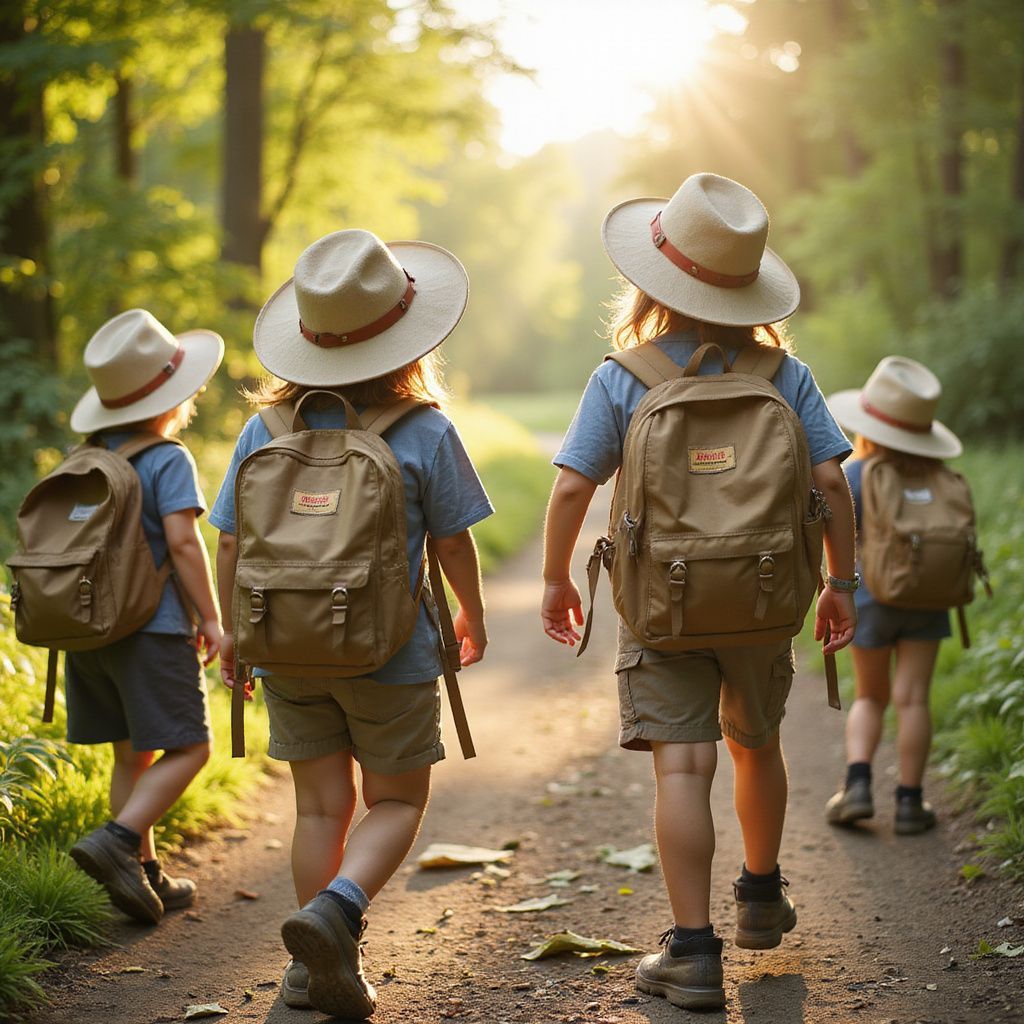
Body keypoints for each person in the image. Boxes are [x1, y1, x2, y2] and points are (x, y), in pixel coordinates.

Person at [541, 173, 857, 1010]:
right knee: (756, 742)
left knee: (683, 768)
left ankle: (691, 952)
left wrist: (552, 580)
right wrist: (843, 583)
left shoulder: (624, 375)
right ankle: (760, 895)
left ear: (653, 282)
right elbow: (830, 477)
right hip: (764, 597)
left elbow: (573, 488)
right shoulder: (783, 372)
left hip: (660, 605)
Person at [211, 229, 492, 1019]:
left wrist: (236, 634)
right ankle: (338, 910)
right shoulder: (424, 429)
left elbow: (230, 538)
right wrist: (470, 610)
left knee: (319, 808)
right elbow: (451, 539)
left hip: (285, 647)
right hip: (390, 654)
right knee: (396, 803)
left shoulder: (264, 432)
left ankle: (308, 973)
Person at [65, 309, 224, 925]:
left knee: (130, 755)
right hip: (151, 631)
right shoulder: (166, 458)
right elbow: (184, 544)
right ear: (171, 397)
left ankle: (146, 875)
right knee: (191, 749)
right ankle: (119, 842)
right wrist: (211, 620)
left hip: (86, 632)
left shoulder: (85, 457)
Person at [823, 357, 964, 835]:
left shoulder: (859, 474)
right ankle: (909, 802)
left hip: (873, 600)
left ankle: (858, 786)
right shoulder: (943, 478)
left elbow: (834, 527)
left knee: (870, 695)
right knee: (913, 699)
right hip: (930, 599)